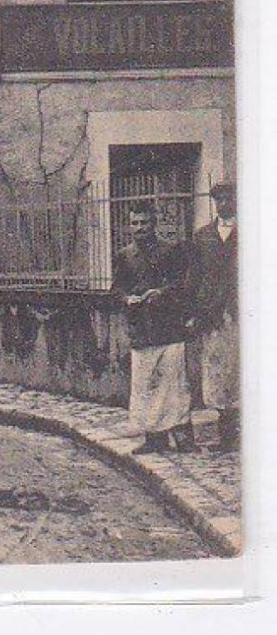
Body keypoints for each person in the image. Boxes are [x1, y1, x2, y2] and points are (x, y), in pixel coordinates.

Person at [113, 200, 194, 454]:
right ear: (129, 226)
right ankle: (154, 438)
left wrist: (161, 293)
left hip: (168, 328)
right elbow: (116, 289)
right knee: (146, 384)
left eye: (145, 223)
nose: (140, 228)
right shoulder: (124, 256)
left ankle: (182, 437)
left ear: (154, 223)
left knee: (174, 384)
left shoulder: (171, 251)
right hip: (142, 330)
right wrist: (127, 298)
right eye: (135, 223)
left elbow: (183, 284)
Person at [186, 183, 239, 451]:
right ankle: (225, 435)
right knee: (217, 372)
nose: (223, 203)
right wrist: (193, 313)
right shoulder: (203, 236)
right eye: (218, 199)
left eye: (228, 198)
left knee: (240, 371)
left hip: (243, 313)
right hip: (213, 315)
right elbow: (193, 278)